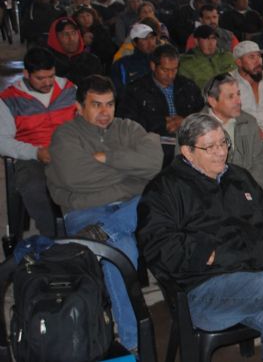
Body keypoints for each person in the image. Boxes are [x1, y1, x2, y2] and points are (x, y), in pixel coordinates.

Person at [137, 113, 263, 362]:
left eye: (223, 143)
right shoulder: (165, 189)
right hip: (202, 291)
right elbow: (158, 246)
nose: (220, 152)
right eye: (209, 147)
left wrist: (260, 250)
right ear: (188, 152)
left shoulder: (238, 177)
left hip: (251, 277)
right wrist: (211, 255)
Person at [46, 75, 163, 350]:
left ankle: (106, 231)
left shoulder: (128, 127)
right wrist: (130, 175)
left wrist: (106, 158)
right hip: (86, 212)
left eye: (109, 104)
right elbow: (75, 176)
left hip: (130, 208)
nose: (105, 112)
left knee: (158, 198)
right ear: (79, 106)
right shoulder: (66, 135)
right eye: (96, 105)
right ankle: (134, 343)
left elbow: (154, 162)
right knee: (120, 250)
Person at [0, 48, 76, 238]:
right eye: (40, 78)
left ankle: (81, 230)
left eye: (51, 76)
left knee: (91, 180)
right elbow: (2, 141)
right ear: (26, 74)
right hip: (32, 157)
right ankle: (54, 238)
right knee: (35, 187)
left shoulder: (69, 90)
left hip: (69, 151)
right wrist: (36, 152)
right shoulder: (9, 99)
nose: (48, 82)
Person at [117, 44, 204, 137]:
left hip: (188, 136)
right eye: (165, 70)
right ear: (153, 66)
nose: (170, 75)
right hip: (150, 140)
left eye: (174, 70)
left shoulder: (187, 86)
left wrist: (186, 121)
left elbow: (203, 113)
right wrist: (161, 124)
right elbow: (126, 122)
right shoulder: (136, 89)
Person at [202, 73, 263, 188]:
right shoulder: (195, 128)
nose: (238, 101)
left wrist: (250, 191)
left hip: (247, 192)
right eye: (230, 97)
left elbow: (259, 163)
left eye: (238, 94)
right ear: (213, 101)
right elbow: (189, 173)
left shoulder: (249, 122)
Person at [46, 16, 104, 85]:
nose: (71, 38)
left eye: (74, 33)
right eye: (65, 34)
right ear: (55, 38)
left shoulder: (92, 61)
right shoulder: (47, 62)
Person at [179, 25, 237, 90]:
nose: (211, 43)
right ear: (196, 41)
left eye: (213, 38)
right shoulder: (187, 63)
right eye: (206, 39)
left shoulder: (227, 57)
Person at [111, 23, 157, 96]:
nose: (150, 42)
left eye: (152, 37)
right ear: (134, 43)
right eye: (145, 39)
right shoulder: (122, 64)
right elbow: (119, 93)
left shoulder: (163, 60)